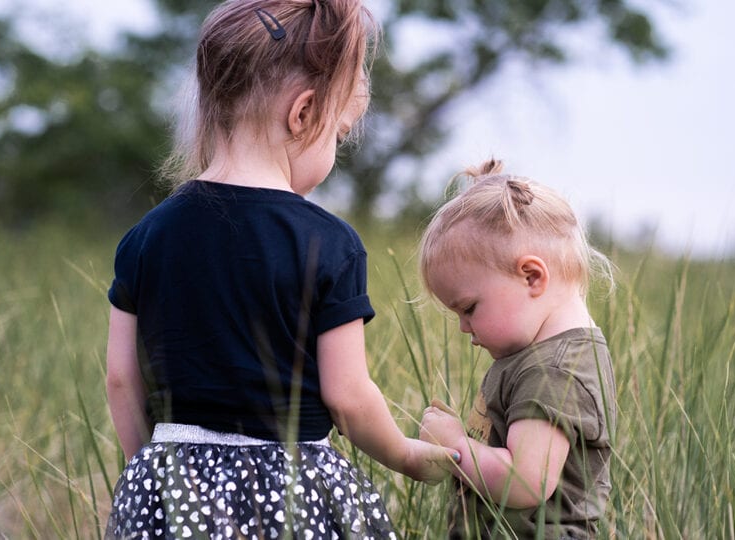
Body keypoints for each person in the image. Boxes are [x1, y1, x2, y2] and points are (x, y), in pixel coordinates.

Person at [103, 1, 458, 538]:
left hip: (169, 487)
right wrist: (406, 454)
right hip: (294, 492)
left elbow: (121, 379)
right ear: (304, 113)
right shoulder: (331, 244)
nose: (335, 150)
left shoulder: (146, 236)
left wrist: (151, 476)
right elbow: (348, 395)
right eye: (338, 134)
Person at [417, 159, 617, 539]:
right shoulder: (534, 356)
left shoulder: (556, 370)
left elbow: (527, 481)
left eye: (469, 308)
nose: (463, 327)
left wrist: (457, 447)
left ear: (531, 276)